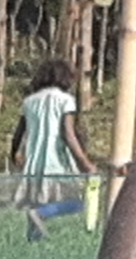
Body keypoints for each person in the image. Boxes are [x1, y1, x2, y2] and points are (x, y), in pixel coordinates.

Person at [13, 67, 87, 237]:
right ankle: (43, 214)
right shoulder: (65, 100)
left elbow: (19, 133)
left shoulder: (29, 101)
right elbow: (68, 134)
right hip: (57, 161)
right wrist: (84, 162)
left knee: (36, 202)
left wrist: (14, 154)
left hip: (34, 162)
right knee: (78, 203)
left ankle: (33, 245)